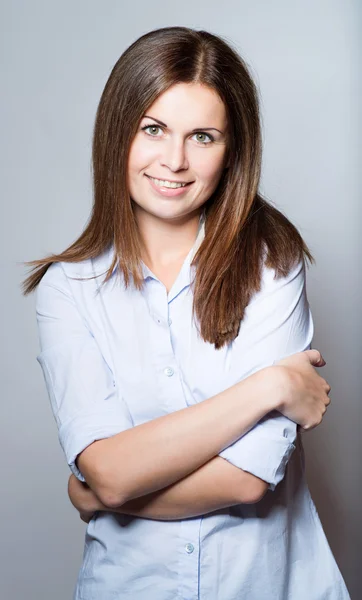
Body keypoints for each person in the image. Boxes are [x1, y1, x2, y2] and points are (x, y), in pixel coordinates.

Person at [23, 26, 351, 600]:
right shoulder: (66, 289)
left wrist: (102, 492)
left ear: (232, 151)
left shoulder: (274, 264)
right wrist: (268, 387)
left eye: (202, 136)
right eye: (153, 129)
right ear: (117, 133)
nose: (174, 161)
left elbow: (247, 480)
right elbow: (111, 473)